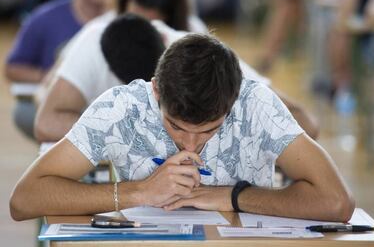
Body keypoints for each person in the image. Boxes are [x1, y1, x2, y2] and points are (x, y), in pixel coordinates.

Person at [10, 33, 354, 221]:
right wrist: (139, 192)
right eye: (175, 126)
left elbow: (336, 202)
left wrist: (231, 197)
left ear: (235, 100)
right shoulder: (121, 107)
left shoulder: (256, 102)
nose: (190, 146)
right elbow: (24, 200)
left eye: (208, 130)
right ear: (156, 91)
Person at [34, 0, 318, 143]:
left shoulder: (200, 56)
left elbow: (303, 120)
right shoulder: (95, 40)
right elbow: (46, 123)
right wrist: (127, 132)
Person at [4, 0, 117, 138]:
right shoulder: (45, 17)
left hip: (108, 109)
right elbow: (12, 68)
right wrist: (57, 77)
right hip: (62, 104)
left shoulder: (124, 20)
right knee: (25, 112)